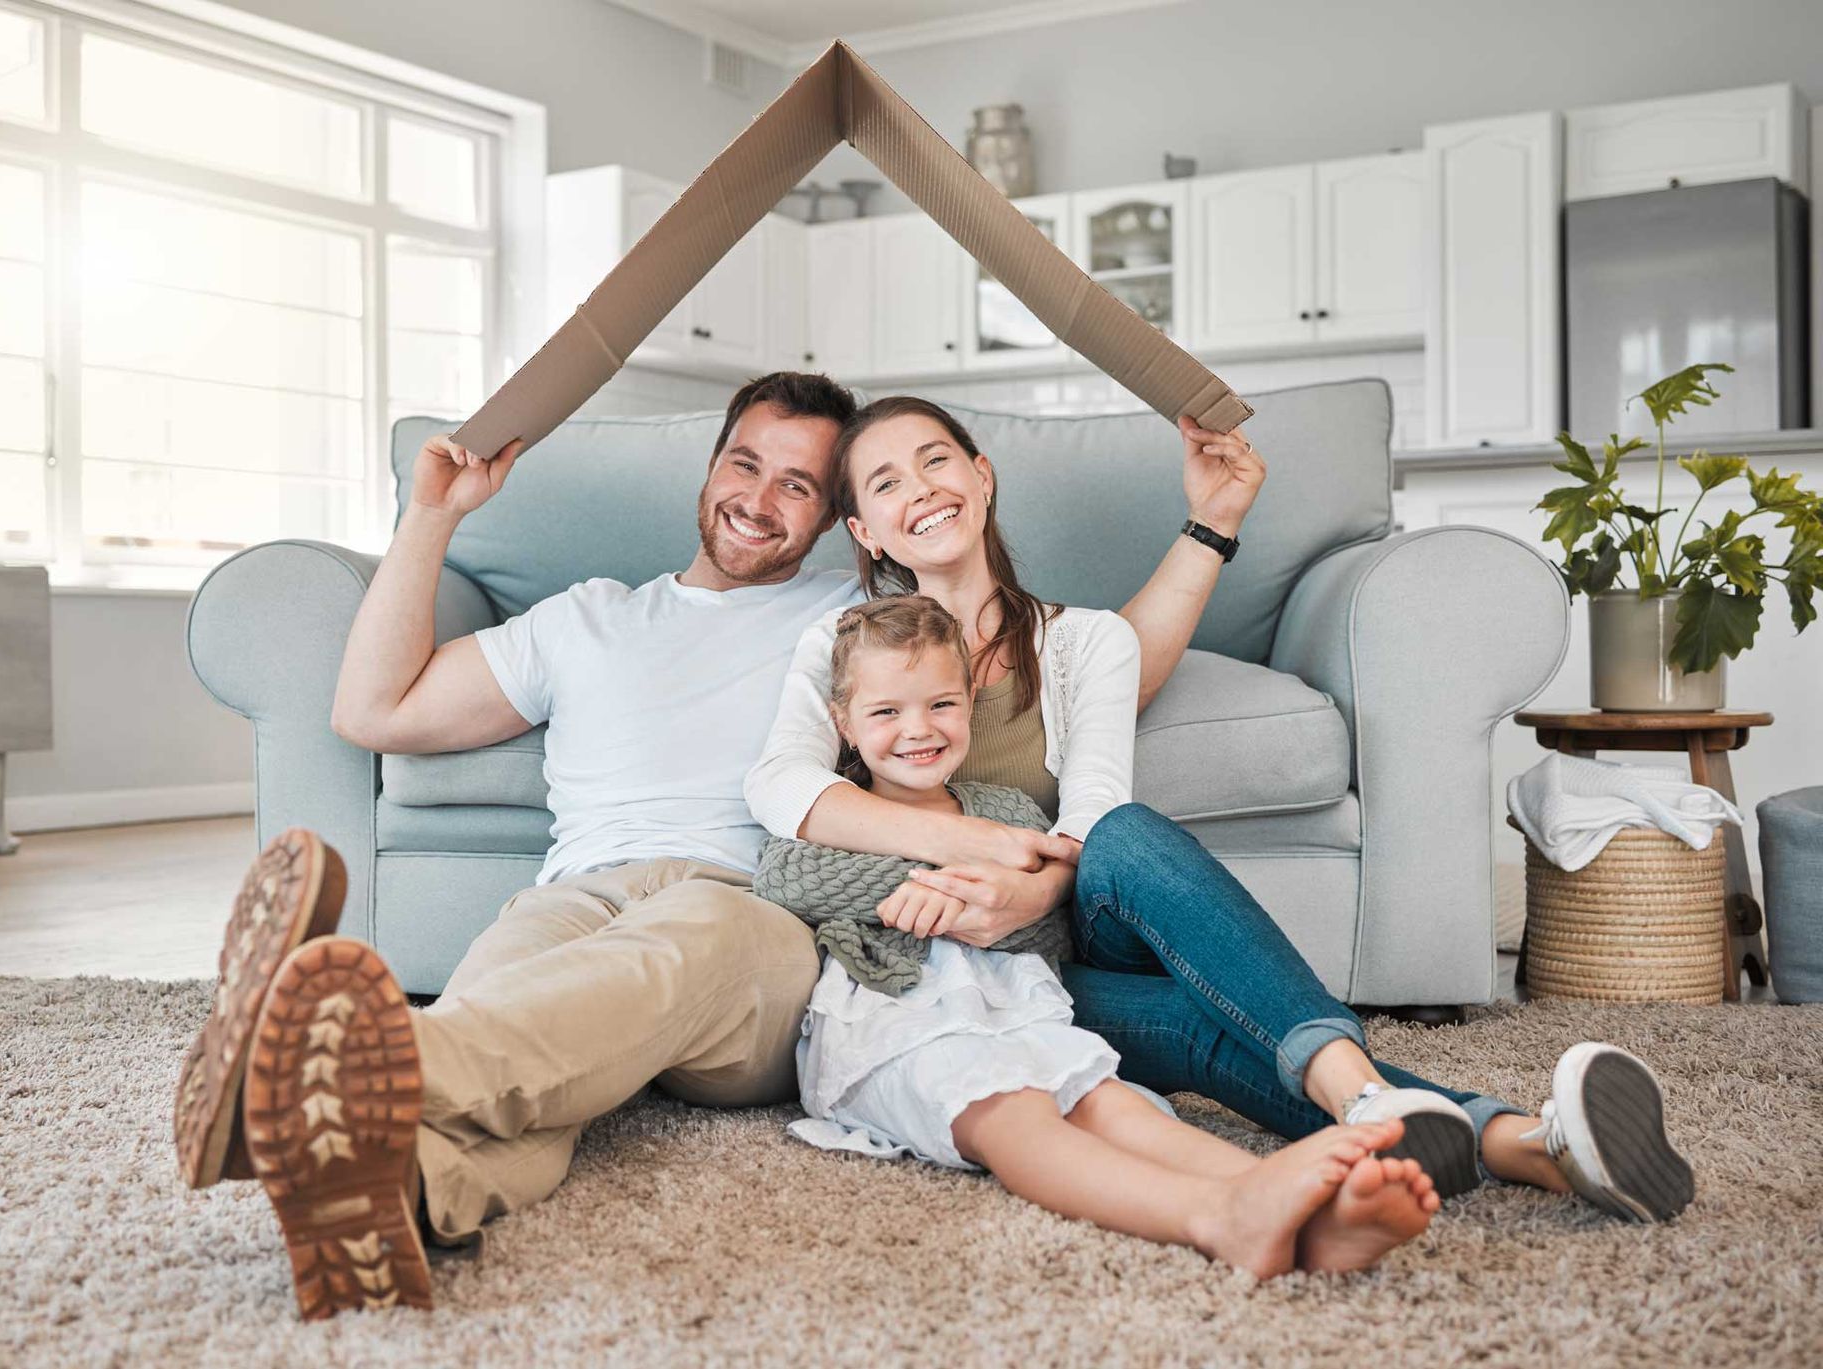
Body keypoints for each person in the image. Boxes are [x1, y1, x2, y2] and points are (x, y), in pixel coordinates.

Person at [173, 371, 1268, 1320]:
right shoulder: (584, 616)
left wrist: (1209, 527)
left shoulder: (857, 617)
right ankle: (389, 1186)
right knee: (533, 1050)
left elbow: (1096, 658)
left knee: (665, 946)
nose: (760, 500)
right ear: (708, 469)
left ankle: (360, 1070)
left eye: (800, 485)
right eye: (746, 465)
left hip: (745, 920)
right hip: (572, 896)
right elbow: (374, 711)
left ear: (844, 522)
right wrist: (431, 516)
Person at [745, 396, 1695, 1227]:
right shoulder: (838, 645)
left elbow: (1093, 817)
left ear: (982, 476)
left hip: (1060, 937)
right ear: (865, 532)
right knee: (1200, 1023)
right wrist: (987, 852)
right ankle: (1532, 1144)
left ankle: (1360, 1091)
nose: (919, 488)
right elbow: (782, 791)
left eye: (936, 460)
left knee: (1125, 834)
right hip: (1015, 987)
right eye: (883, 483)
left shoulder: (1087, 644)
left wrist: (1026, 895)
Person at [749, 594, 1439, 1276]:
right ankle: (1214, 1213)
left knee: (1105, 1100)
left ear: (968, 704)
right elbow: (786, 876)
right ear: (842, 722)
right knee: (1014, 1114)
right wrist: (938, 882)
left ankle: (1310, 1209)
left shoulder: (1005, 809)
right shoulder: (834, 811)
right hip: (896, 1020)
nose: (918, 728)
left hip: (1018, 1008)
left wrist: (1001, 898)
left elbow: (1051, 924)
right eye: (886, 711)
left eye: (941, 704)